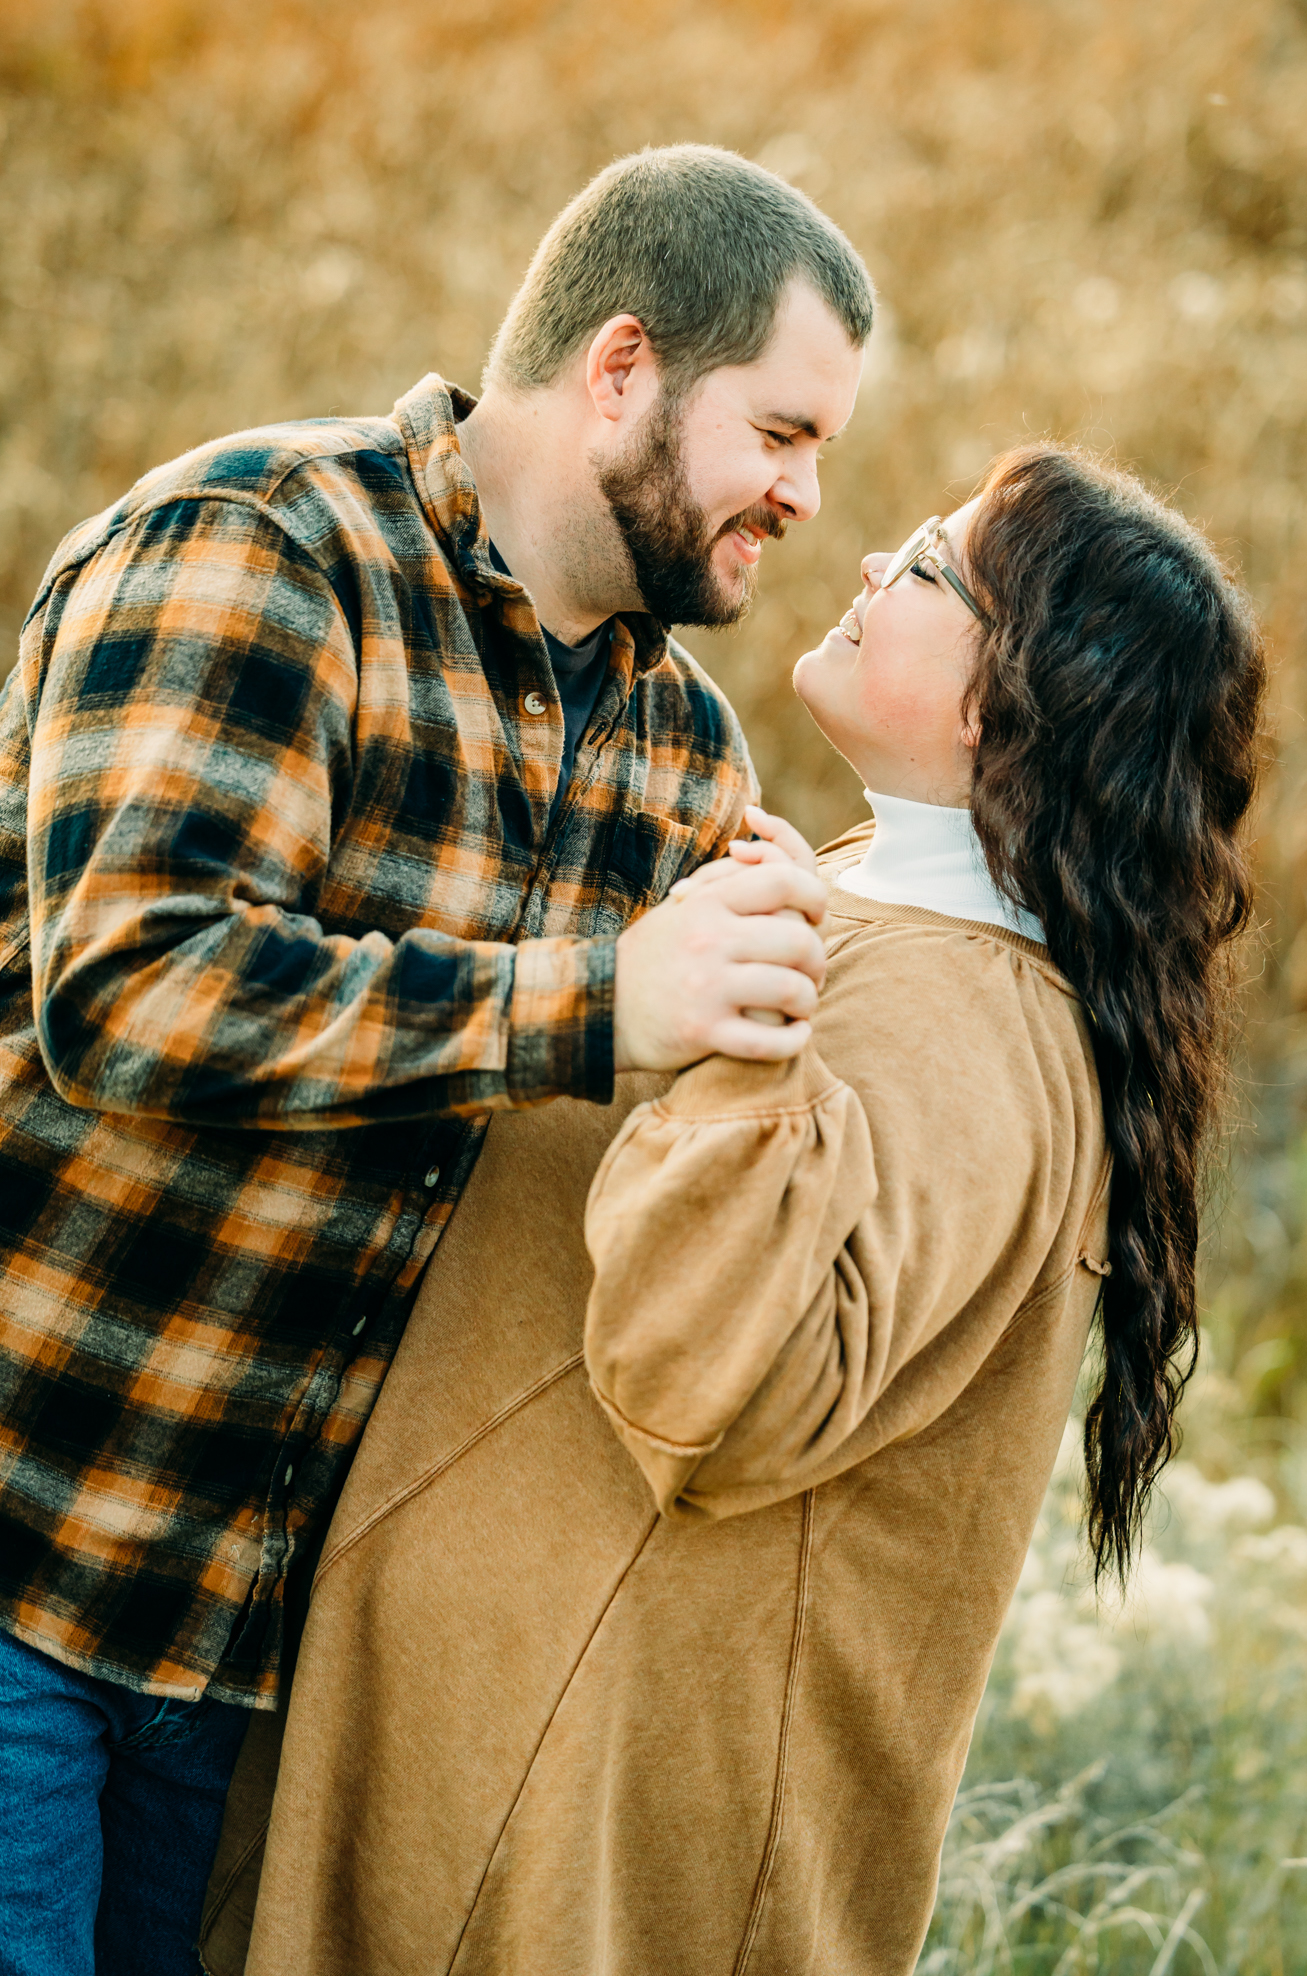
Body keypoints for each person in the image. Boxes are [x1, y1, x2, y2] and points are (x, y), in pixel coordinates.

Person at [198, 443, 1266, 1975]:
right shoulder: (904, 927)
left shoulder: (956, 1011)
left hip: (557, 1841)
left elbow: (724, 1387)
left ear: (1006, 704)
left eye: (920, 568)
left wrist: (743, 1037)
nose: (860, 567)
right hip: (515, 1770)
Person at [0, 145, 874, 1976]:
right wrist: (596, 1005)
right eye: (780, 434)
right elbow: (137, 992)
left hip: (261, 1654)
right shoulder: (260, 545)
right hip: (29, 1551)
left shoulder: (681, 750)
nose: (803, 497)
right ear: (622, 369)